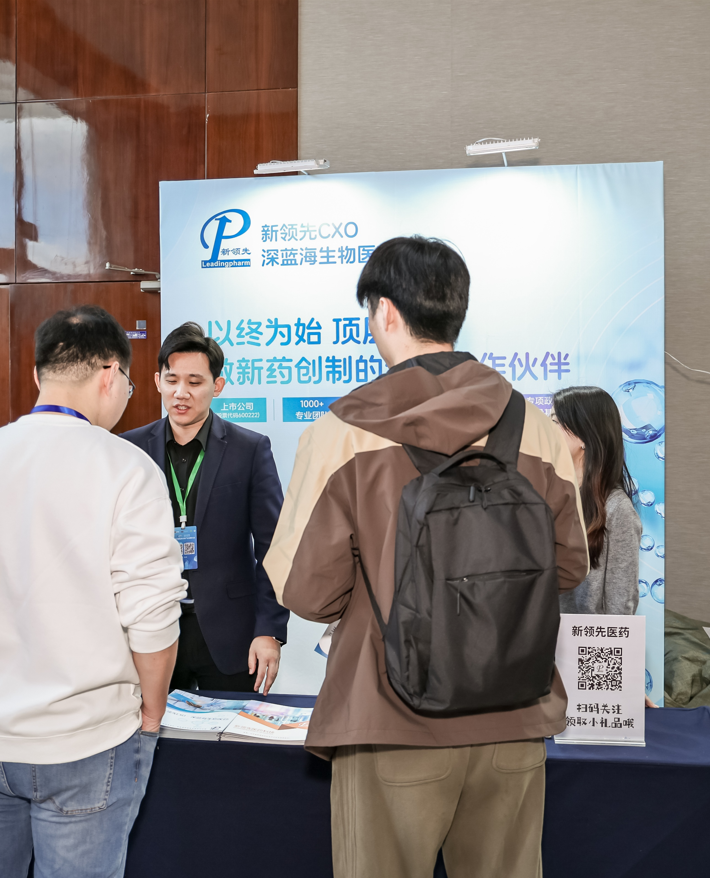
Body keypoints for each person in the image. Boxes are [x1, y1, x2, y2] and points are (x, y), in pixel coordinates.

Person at [265, 236, 589, 878]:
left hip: (389, 718)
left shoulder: (342, 433)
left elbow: (306, 592)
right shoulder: (537, 428)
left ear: (385, 311)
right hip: (514, 715)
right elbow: (569, 566)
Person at [0, 305, 186, 878]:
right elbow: (152, 618)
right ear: (110, 374)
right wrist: (151, 715)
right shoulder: (127, 469)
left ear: (38, 376)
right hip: (85, 742)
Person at [121, 322, 287, 694]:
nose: (181, 393)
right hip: (150, 631)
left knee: (232, 733)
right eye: (172, 380)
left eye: (194, 382)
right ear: (157, 381)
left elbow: (274, 548)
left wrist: (270, 630)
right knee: (155, 731)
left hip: (232, 636)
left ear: (217, 385)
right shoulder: (130, 450)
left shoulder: (249, 449)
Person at [552, 386, 641, 616]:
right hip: (546, 634)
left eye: (555, 422)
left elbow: (621, 603)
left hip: (588, 636)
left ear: (583, 436)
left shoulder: (617, 509)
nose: (547, 431)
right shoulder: (551, 494)